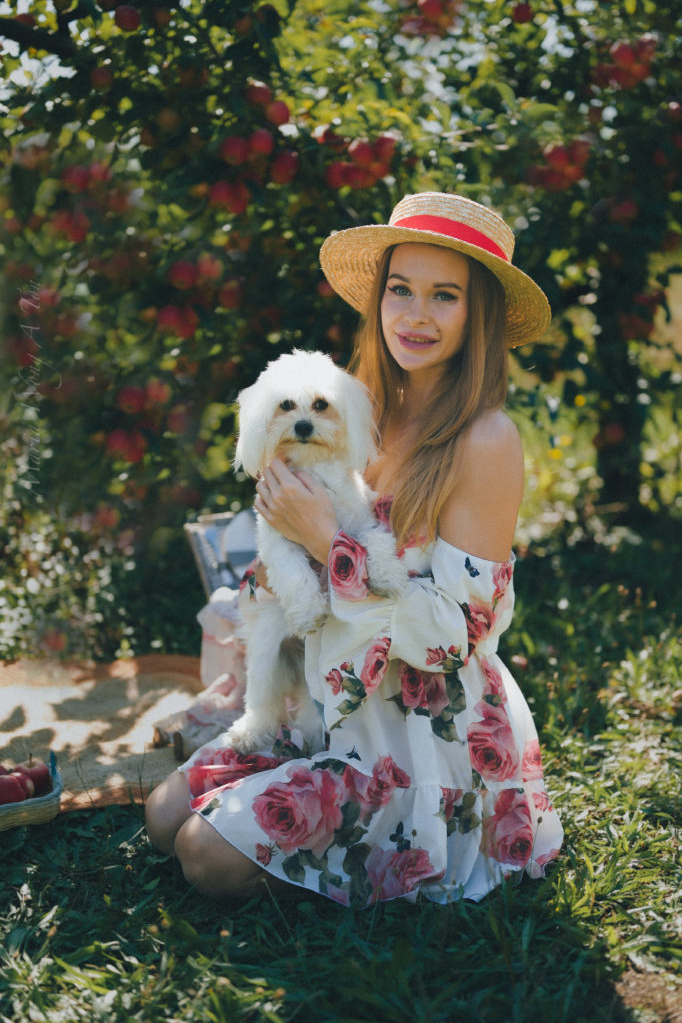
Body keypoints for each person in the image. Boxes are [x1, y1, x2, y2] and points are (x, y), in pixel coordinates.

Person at [145, 192, 564, 906]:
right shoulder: (357, 402)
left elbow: (458, 637)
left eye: (444, 296)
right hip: (323, 690)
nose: (415, 315)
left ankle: (366, 842)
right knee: (161, 816)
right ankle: (287, 793)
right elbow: (287, 539)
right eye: (400, 289)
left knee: (201, 856)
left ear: (478, 314)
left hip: (420, 730)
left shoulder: (484, 440)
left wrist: (324, 541)